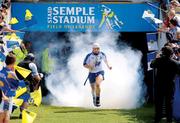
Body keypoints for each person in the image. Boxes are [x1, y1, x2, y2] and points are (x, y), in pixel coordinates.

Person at [150, 46, 180, 123]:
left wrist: (157, 57)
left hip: (159, 86)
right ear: (171, 54)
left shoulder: (158, 60)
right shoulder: (175, 63)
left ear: (163, 53)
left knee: (159, 103)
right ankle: (169, 120)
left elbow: (151, 65)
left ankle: (157, 119)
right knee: (169, 104)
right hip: (170, 86)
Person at [83, 43, 112, 107]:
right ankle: (94, 98)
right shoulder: (89, 55)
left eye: (98, 48)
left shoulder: (102, 54)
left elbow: (106, 61)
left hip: (100, 72)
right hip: (91, 73)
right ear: (92, 49)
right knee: (93, 88)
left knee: (98, 84)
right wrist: (89, 66)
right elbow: (84, 64)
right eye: (95, 49)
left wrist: (109, 66)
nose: (96, 50)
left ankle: (98, 99)